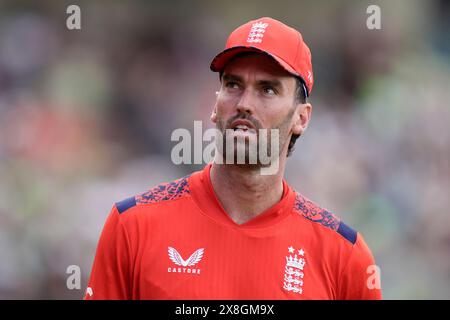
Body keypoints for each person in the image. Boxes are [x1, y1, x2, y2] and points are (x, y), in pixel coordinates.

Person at [85, 17, 382, 300]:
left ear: (301, 118)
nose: (244, 104)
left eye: (267, 89)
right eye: (233, 85)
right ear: (215, 105)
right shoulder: (133, 226)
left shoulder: (342, 256)